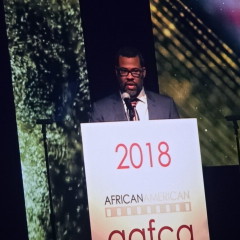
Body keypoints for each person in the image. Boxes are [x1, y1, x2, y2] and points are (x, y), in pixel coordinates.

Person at [89, 46, 179, 122]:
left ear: (143, 72)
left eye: (135, 71)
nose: (130, 77)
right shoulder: (101, 110)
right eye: (124, 71)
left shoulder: (166, 106)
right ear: (116, 73)